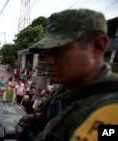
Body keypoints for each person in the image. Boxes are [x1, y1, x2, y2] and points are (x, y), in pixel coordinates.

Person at [16, 9, 118, 141]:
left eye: (60, 51)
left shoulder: (111, 108)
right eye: (47, 53)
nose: (48, 61)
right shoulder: (64, 89)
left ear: (97, 47)